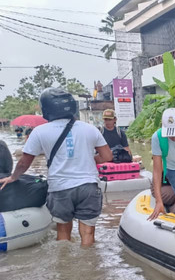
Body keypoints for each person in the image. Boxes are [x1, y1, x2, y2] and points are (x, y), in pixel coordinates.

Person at [0, 88, 113, 246]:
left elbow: (24, 163)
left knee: (63, 231)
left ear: (46, 109)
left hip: (60, 188)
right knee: (88, 233)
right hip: (88, 186)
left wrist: (13, 177)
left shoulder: (39, 132)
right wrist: (87, 158)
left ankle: (64, 266)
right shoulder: (90, 128)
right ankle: (88, 263)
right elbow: (107, 157)